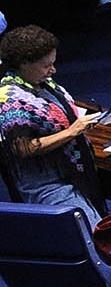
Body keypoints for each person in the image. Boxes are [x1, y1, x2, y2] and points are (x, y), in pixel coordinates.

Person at [0, 24, 105, 221]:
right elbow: (23, 148)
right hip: (49, 185)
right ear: (24, 64)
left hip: (75, 171)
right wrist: (71, 131)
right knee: (90, 233)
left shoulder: (42, 82)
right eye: (46, 65)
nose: (53, 70)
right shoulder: (10, 100)